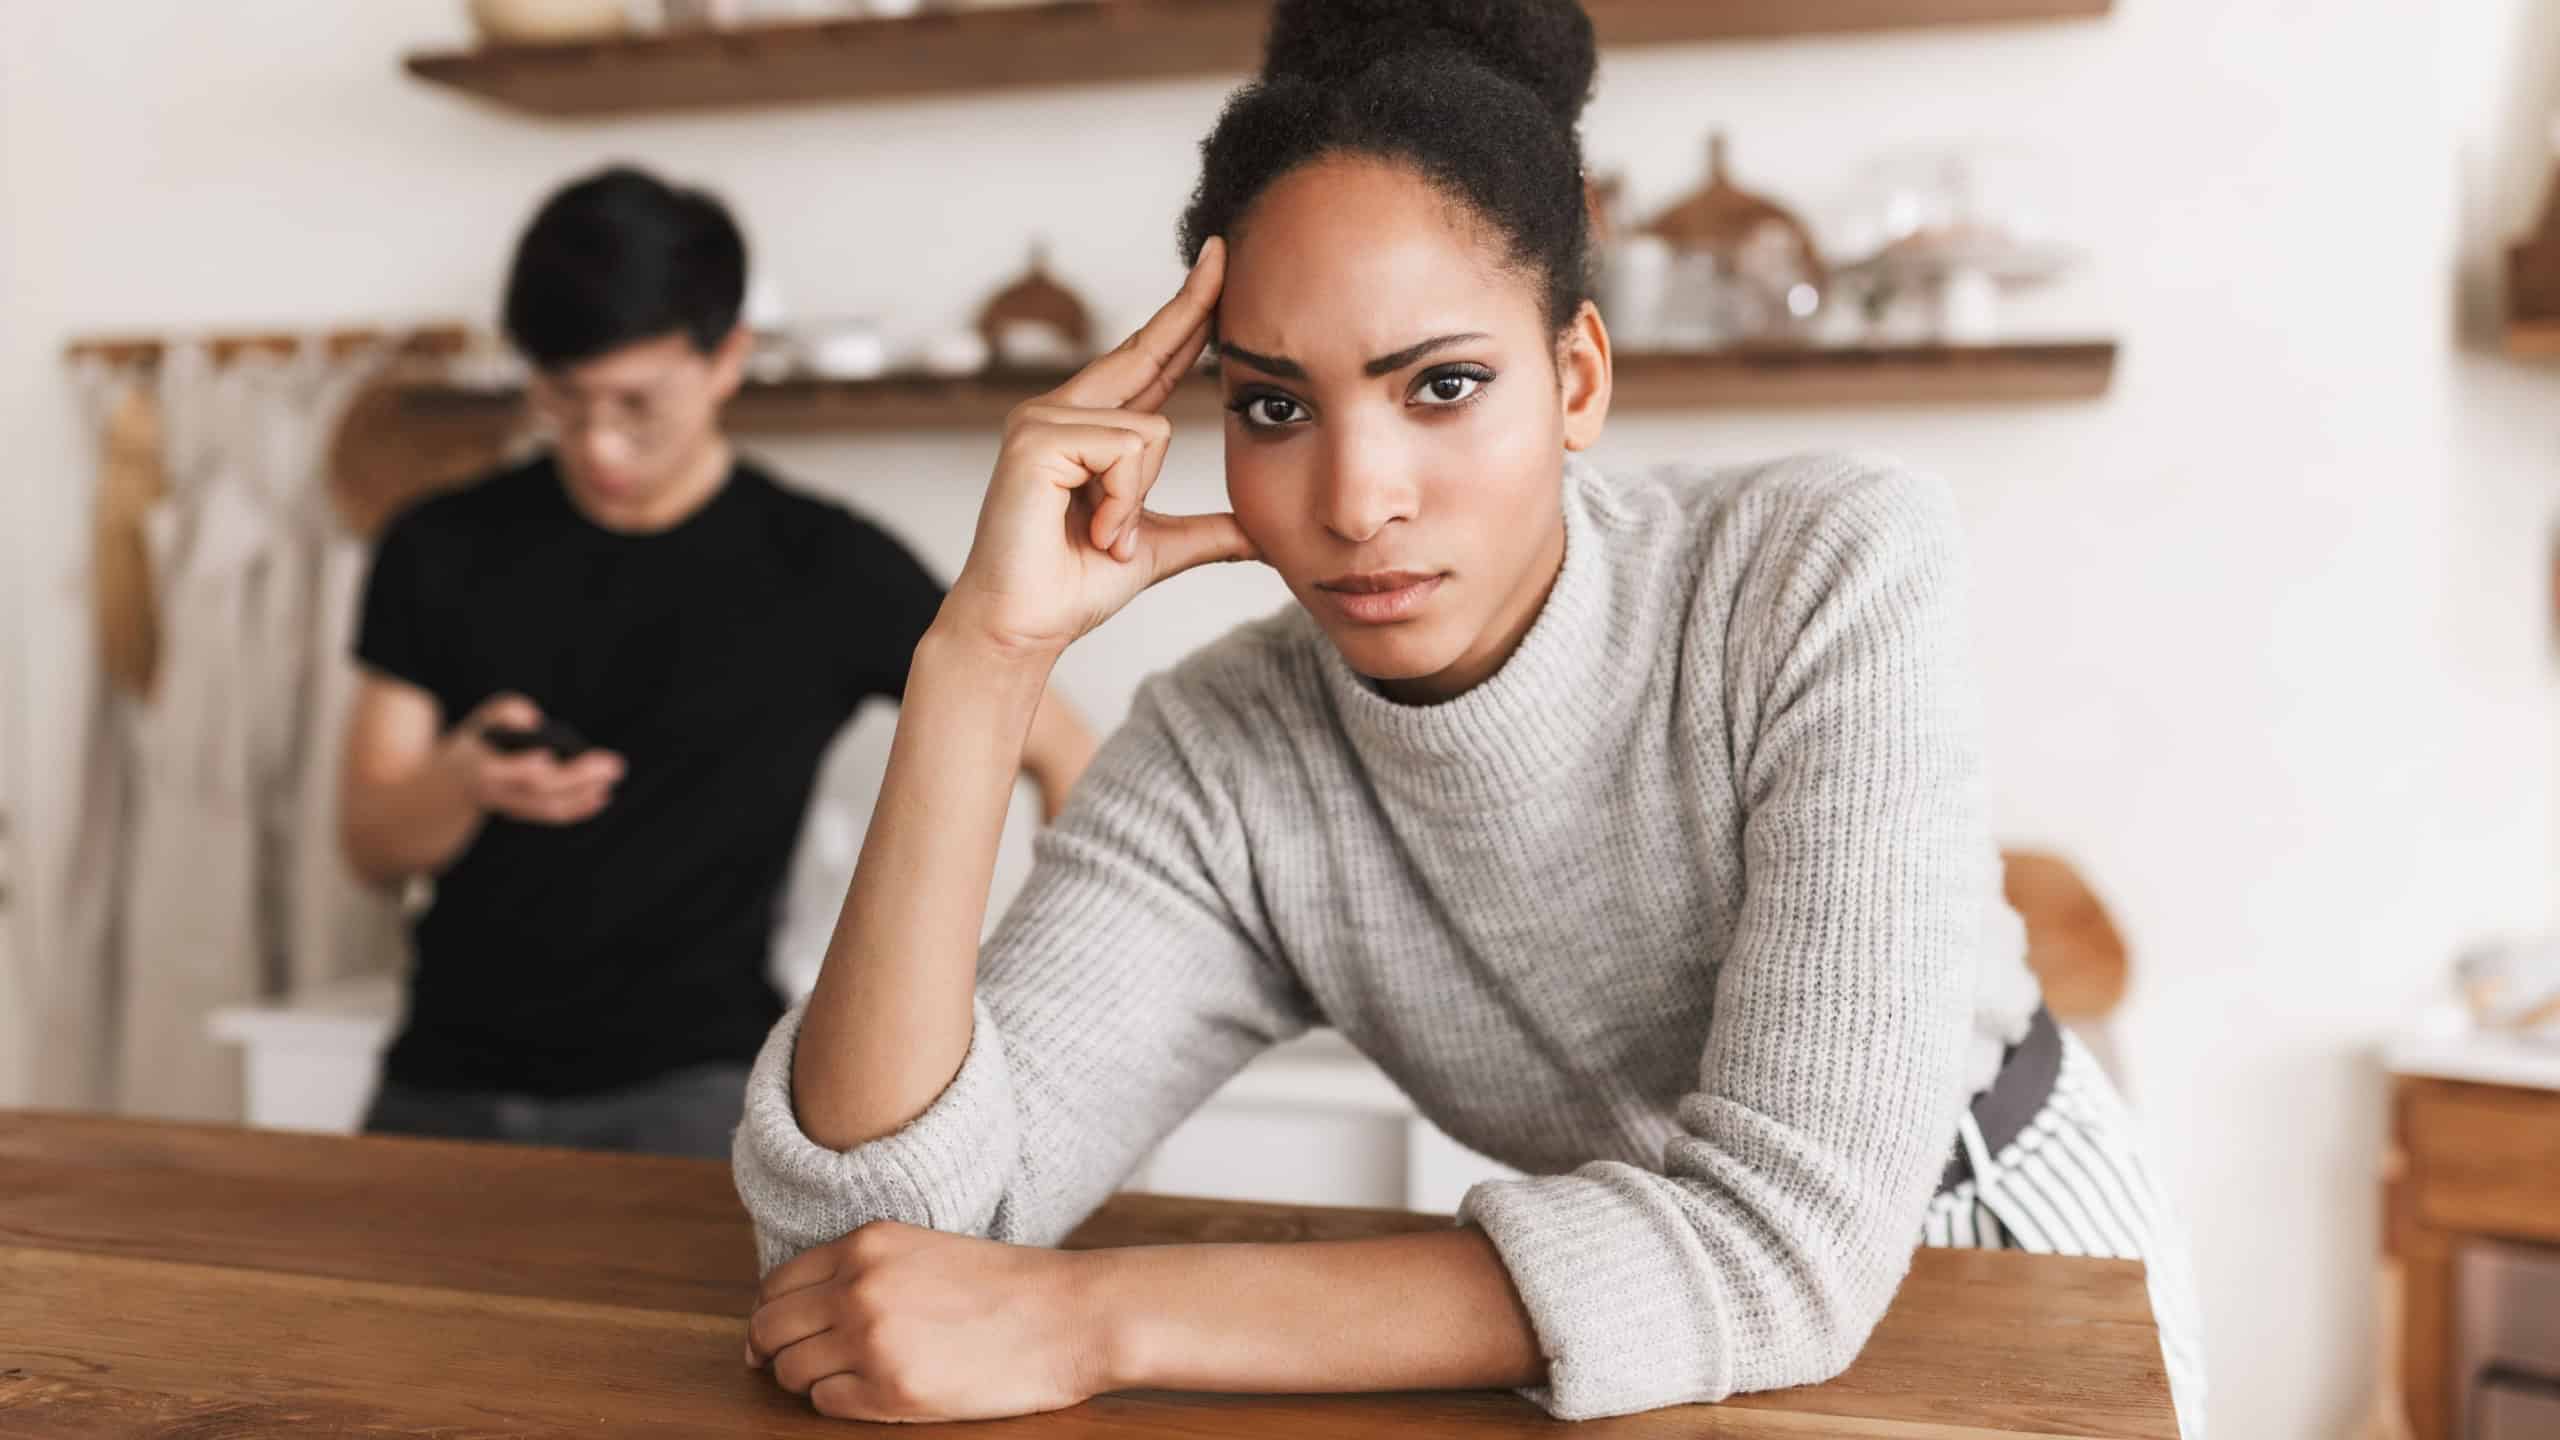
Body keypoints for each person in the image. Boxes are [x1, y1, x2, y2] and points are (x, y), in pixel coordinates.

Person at [733, 2, 2206, 1433]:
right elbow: (876, 1241)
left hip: (2001, 1277)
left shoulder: (1822, 569)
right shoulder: (1229, 753)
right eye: (1271, 408)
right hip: (1614, 1347)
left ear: (1575, 377)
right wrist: (981, 659)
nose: (1358, 499)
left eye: (1441, 386)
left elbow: (1786, 1250)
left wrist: (1089, 1318)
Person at [339, 166, 1095, 1160]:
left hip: (699, 1093)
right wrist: (463, 778)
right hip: (440, 1083)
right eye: (563, 401)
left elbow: (1061, 749)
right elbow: (371, 842)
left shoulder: (826, 565)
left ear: (727, 359)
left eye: (636, 404)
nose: (599, 443)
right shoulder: (437, 543)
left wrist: (1043, 1016)